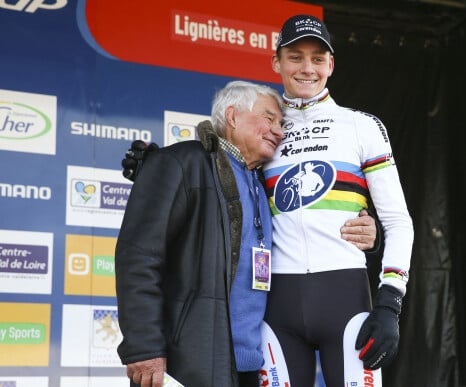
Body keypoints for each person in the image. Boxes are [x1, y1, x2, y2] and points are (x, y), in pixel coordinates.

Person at [115, 80, 377, 387]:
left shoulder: (264, 182)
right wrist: (144, 346)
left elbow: (308, 230)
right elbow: (139, 258)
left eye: (282, 124)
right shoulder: (183, 163)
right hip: (188, 364)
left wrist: (369, 234)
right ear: (232, 116)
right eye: (269, 118)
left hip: (251, 366)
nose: (279, 131)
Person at [259, 14, 414, 387]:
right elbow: (215, 170)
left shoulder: (361, 125)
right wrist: (158, 165)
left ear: (330, 64)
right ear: (276, 62)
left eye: (317, 58)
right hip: (276, 305)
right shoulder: (263, 127)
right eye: (295, 57)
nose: (307, 68)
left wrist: (390, 301)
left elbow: (398, 222)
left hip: (345, 300)